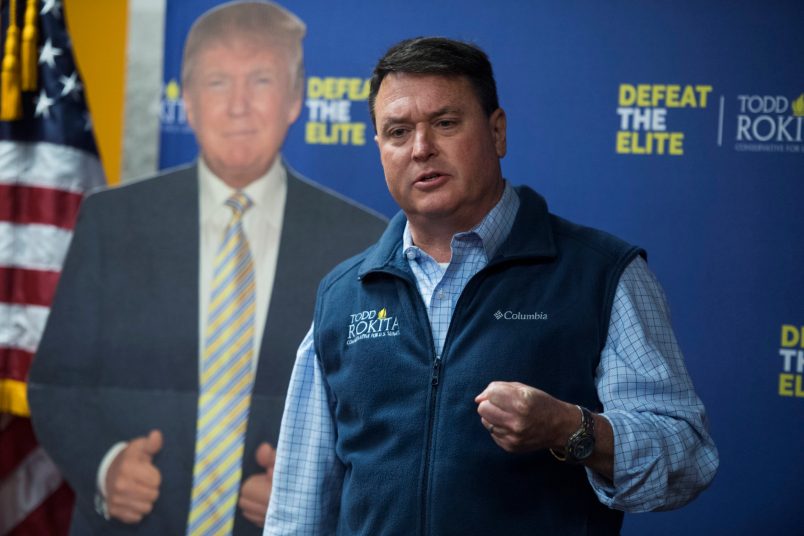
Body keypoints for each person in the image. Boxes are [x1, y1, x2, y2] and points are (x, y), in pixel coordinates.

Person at [264, 37, 719, 535]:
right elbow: (298, 508)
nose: (421, 149)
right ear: (380, 149)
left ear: (497, 132)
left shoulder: (601, 273)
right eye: (398, 132)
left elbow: (687, 457)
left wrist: (572, 428)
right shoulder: (343, 293)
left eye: (445, 123)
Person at [27, 2, 386, 535]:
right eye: (218, 82)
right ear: (188, 102)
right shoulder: (111, 219)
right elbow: (55, 383)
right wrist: (103, 468)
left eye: (261, 79)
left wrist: (314, 492)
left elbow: (380, 412)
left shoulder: (362, 242)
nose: (238, 105)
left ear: (295, 98)